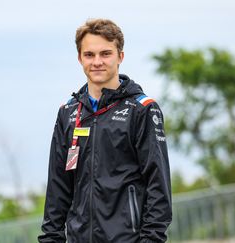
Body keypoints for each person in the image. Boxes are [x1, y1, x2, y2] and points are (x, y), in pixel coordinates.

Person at [38, 18, 172, 243]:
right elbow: (57, 188)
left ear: (120, 56)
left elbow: (159, 187)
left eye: (105, 53)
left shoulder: (143, 109)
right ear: (80, 58)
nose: (97, 62)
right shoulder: (67, 113)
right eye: (89, 55)